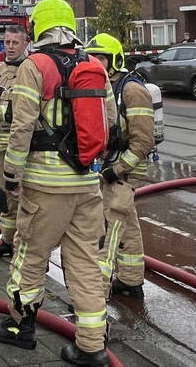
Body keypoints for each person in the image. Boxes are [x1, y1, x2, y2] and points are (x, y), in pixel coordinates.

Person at [0, 0, 111, 367]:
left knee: (29, 254)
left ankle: (20, 327)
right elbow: (111, 124)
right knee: (86, 262)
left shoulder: (35, 65)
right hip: (87, 184)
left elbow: (20, 127)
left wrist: (10, 176)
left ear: (37, 28)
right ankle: (92, 346)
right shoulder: (93, 65)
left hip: (45, 186)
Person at [84, 34, 155, 299]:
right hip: (111, 165)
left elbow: (143, 141)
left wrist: (116, 170)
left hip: (124, 170)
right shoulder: (106, 85)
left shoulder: (132, 90)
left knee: (108, 230)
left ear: (115, 60)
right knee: (129, 225)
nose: (95, 63)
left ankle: (96, 295)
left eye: (100, 58)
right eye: (92, 58)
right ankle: (130, 280)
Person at [0, 24, 30, 258]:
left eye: (15, 42)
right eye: (7, 42)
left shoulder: (31, 71)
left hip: (20, 145)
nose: (9, 47)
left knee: (21, 197)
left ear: (25, 44)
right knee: (2, 196)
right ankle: (8, 240)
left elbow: (25, 109)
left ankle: (26, 249)